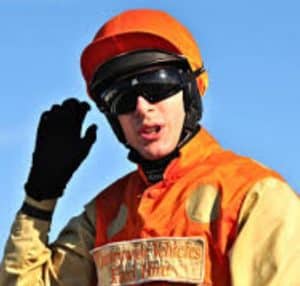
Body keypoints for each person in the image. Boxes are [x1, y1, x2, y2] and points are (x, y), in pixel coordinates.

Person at [0, 8, 300, 286]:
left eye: (157, 87)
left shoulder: (253, 196)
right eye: (123, 99)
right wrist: (40, 196)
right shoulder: (104, 213)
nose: (142, 109)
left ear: (192, 91)